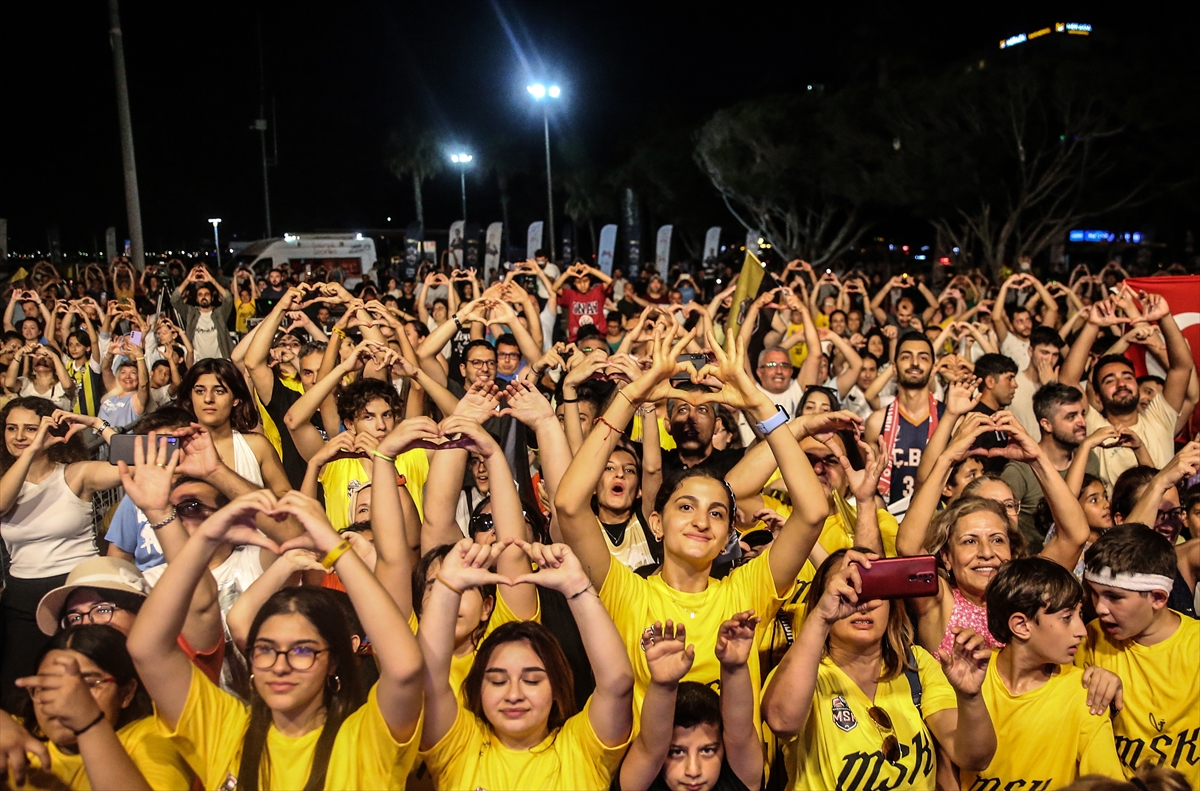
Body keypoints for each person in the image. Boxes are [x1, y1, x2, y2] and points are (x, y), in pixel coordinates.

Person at [556, 327, 828, 727]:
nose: (702, 520)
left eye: (717, 513)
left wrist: (757, 403)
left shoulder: (746, 590)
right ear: (656, 523)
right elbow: (569, 503)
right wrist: (633, 395)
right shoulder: (627, 591)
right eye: (686, 507)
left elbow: (813, 513)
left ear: (726, 536)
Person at [126, 489, 425, 790]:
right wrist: (203, 541)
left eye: (301, 650)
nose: (280, 666)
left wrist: (336, 549)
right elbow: (147, 649)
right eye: (266, 649)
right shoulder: (226, 730)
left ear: (333, 661)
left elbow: (405, 668)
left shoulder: (365, 738)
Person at [762, 550, 998, 791]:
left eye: (876, 591)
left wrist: (970, 696)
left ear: (891, 606)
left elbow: (974, 758)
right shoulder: (801, 673)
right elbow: (782, 722)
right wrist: (821, 617)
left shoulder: (915, 663)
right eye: (849, 591)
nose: (864, 605)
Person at [416, 539, 634, 790]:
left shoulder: (581, 748)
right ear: (478, 688)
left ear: (555, 688)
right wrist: (447, 587)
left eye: (531, 680)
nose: (514, 695)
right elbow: (426, 685)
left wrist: (577, 587)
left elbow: (617, 683)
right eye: (498, 681)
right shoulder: (460, 746)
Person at [964, 558, 1125, 789]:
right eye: (1067, 618)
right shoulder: (968, 676)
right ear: (1021, 625)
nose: (1082, 631)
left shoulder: (1084, 695)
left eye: (1080, 615)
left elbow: (1108, 786)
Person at [0, 399, 120, 708]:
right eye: (11, 428)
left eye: (30, 428)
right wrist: (30, 452)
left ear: (50, 429)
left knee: (89, 687)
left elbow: (133, 464)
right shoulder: (5, 483)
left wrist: (96, 424)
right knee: (21, 696)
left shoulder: (76, 474)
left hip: (77, 594)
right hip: (21, 600)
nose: (19, 436)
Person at [1076, 525, 1199, 786]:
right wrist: (1083, 682)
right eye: (1094, 593)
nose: (1099, 608)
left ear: (1158, 597)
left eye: (1114, 597)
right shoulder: (1089, 640)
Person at [12, 625, 193, 791]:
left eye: (89, 685)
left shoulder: (152, 739)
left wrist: (89, 724)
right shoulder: (16, 737)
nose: (63, 699)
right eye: (48, 685)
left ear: (127, 693)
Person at [1058, 295, 1194, 488]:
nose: (1121, 383)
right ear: (1097, 396)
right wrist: (1092, 324)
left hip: (1163, 517)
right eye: (1109, 380)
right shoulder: (1094, 425)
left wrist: (1165, 318)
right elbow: (1067, 380)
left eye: (1128, 377)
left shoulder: (1158, 417)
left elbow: (1181, 368)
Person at [618, 614, 764, 791]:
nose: (693, 771)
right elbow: (651, 748)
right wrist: (663, 684)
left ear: (724, 749)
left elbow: (739, 731)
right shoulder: (639, 783)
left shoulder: (737, 779)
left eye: (707, 750)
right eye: (677, 752)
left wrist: (735, 666)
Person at [1001, 383, 1102, 551]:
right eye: (1071, 417)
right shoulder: (1021, 469)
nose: (1082, 422)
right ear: (1046, 424)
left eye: (1082, 414)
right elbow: (999, 519)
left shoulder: (1088, 458)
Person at [177, 358, 289, 494]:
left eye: (219, 391)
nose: (208, 399)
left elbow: (286, 501)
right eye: (200, 391)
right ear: (190, 396)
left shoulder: (257, 446)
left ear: (236, 399)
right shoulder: (177, 447)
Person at [865, 331, 945, 515]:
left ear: (934, 369)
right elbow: (872, 485)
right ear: (894, 368)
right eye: (906, 357)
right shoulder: (876, 423)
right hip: (889, 521)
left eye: (923, 357)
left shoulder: (950, 420)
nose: (915, 363)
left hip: (938, 521)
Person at [170, 266, 233, 363]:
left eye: (207, 294)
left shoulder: (220, 313)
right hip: (198, 362)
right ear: (196, 299)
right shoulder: (191, 313)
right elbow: (174, 299)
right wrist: (187, 280)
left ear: (212, 298)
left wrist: (212, 280)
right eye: (200, 295)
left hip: (220, 360)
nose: (203, 297)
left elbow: (228, 298)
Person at [969, 353, 1019, 473]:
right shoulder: (975, 419)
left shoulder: (1002, 416)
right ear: (990, 381)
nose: (1015, 385)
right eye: (1009, 378)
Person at [554, 262, 613, 342]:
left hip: (598, 337)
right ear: (574, 283)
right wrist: (567, 273)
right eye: (578, 282)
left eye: (585, 281)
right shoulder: (571, 295)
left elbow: (609, 280)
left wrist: (590, 270)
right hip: (576, 339)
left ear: (590, 281)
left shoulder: (598, 292)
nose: (582, 285)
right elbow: (554, 288)